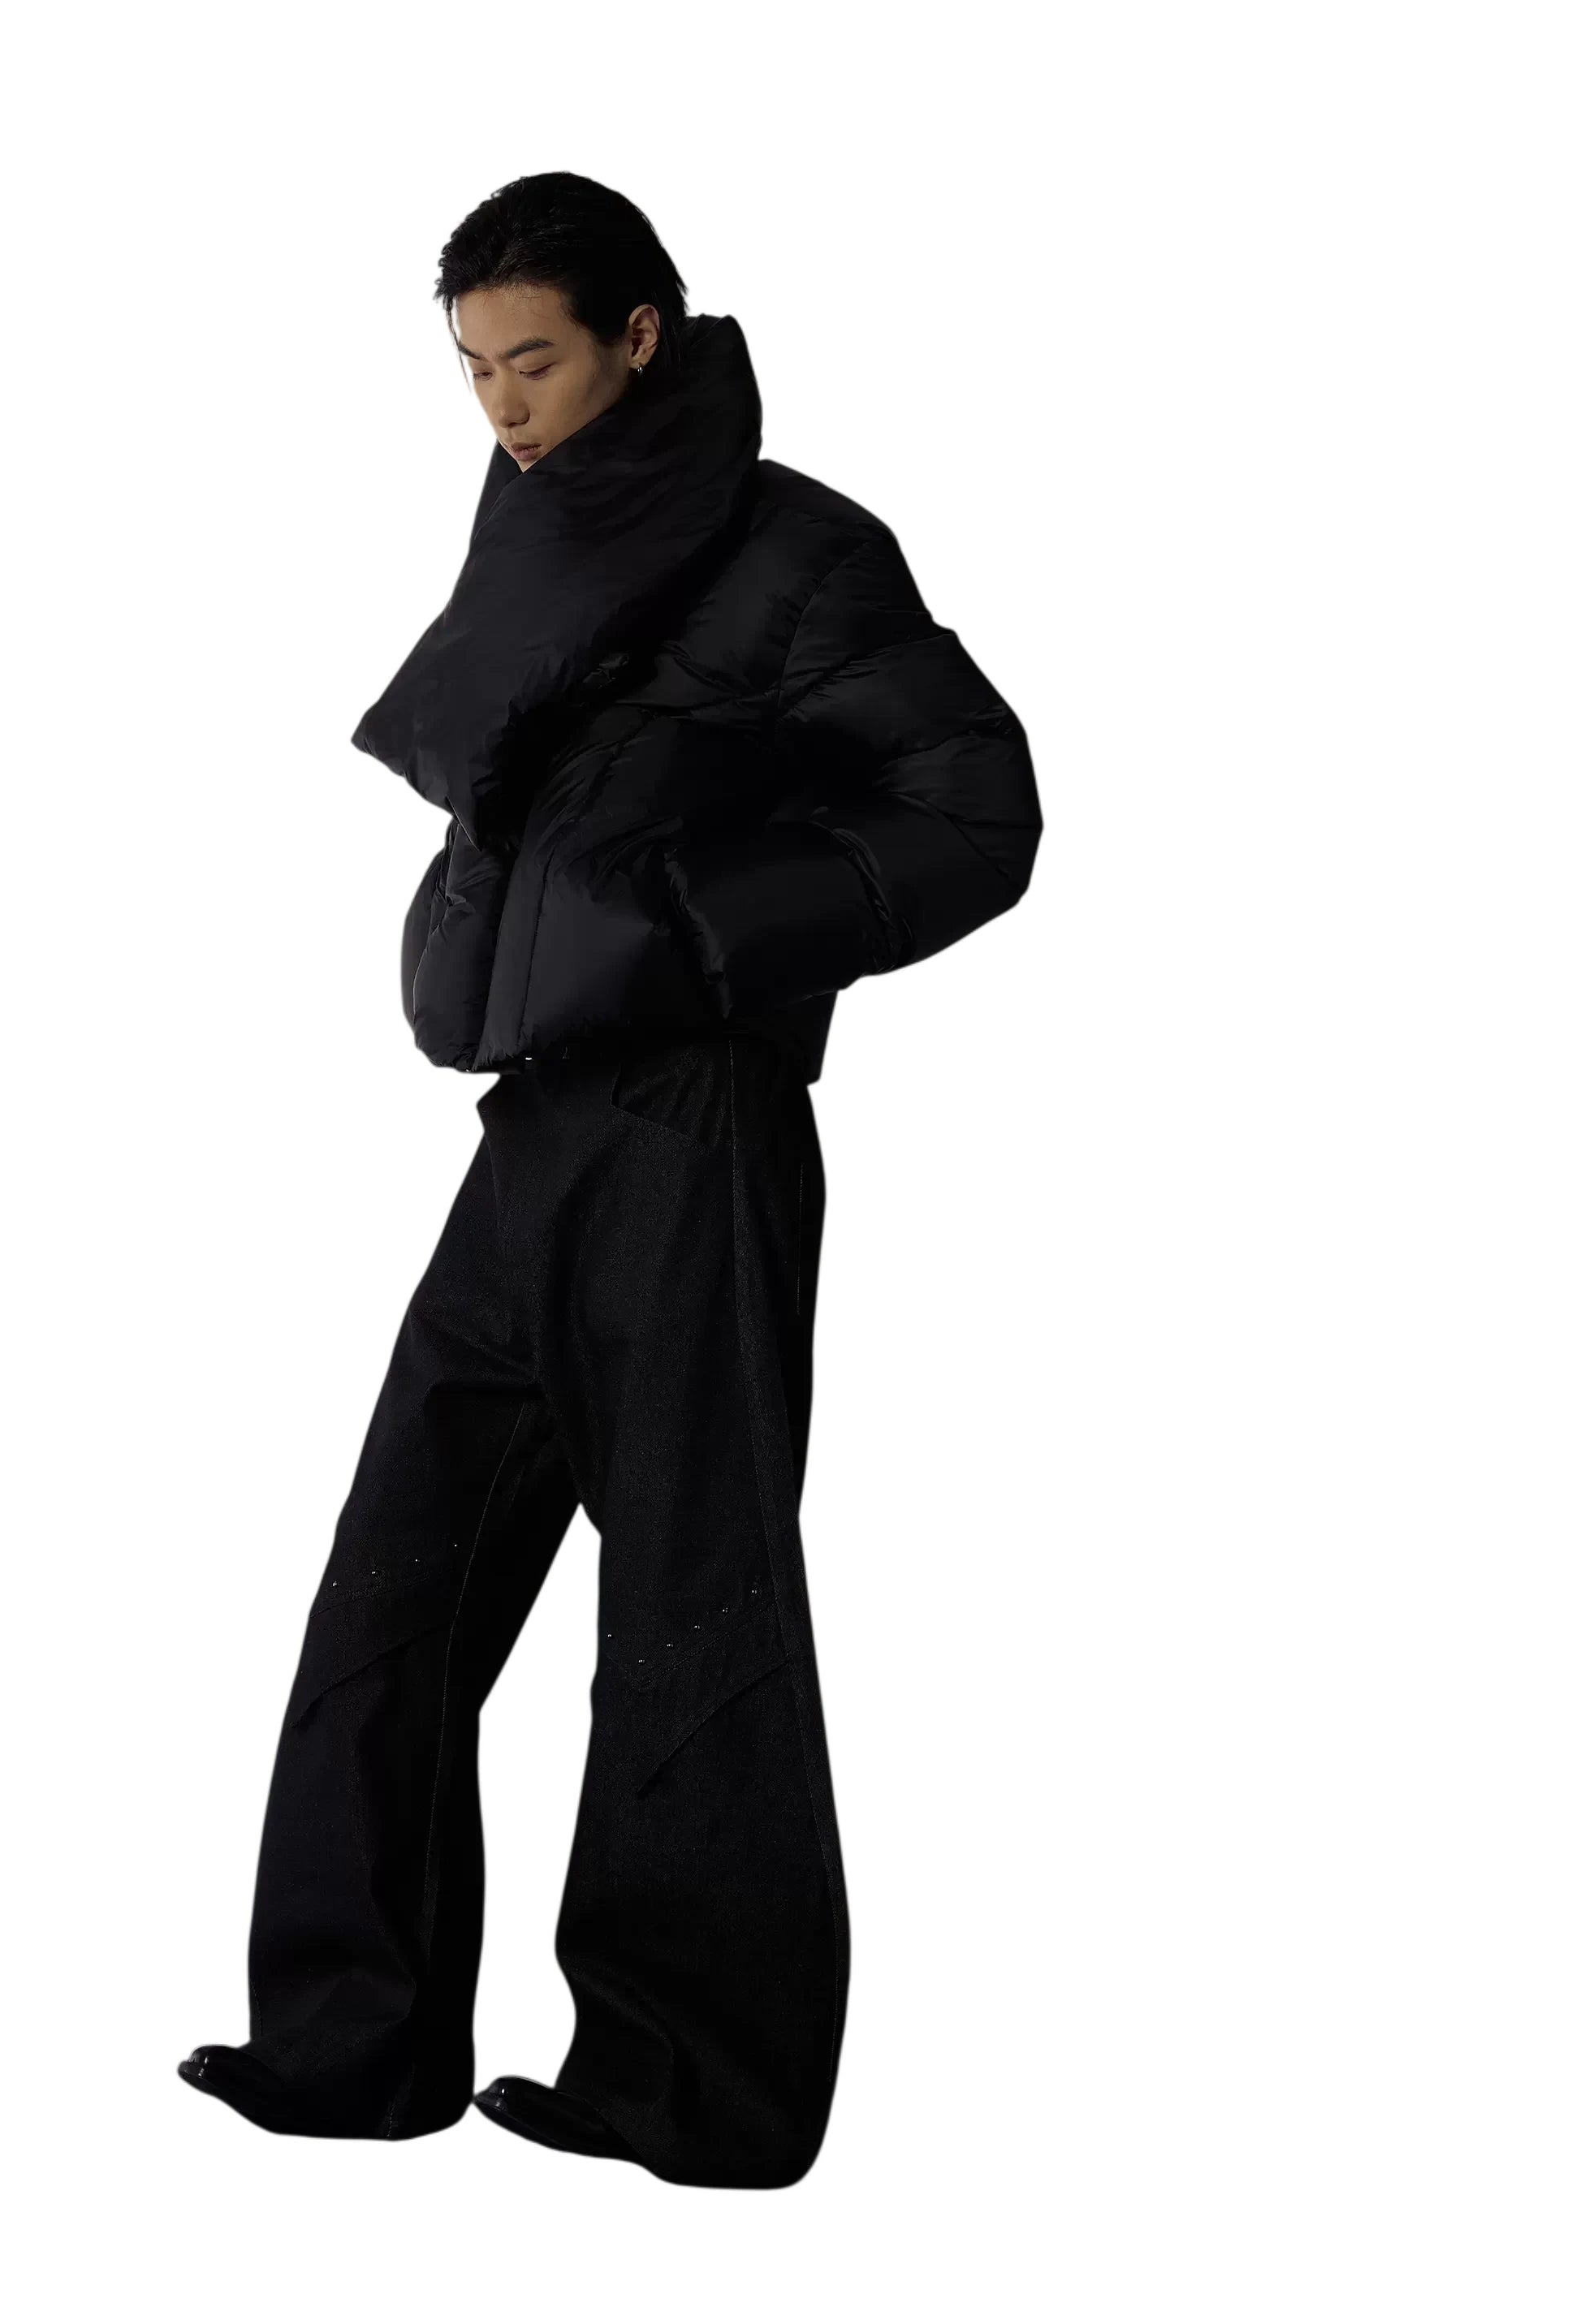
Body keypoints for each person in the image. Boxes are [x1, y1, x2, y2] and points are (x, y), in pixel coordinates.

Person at [177, 172, 1043, 2188]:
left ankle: (692, 2087)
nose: (503, 406)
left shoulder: (800, 554)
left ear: (642, 336)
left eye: (537, 361)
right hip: (537, 1134)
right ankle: (355, 2042)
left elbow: (979, 809)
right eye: (474, 369)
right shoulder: (549, 537)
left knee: (687, 1607)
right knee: (395, 1591)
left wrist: (704, 927)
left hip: (697, 1130)